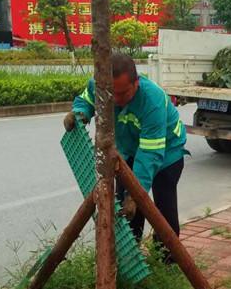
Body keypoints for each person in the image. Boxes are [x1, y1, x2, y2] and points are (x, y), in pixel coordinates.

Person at [64, 53, 187, 256]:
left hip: (166, 154)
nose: (117, 100)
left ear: (136, 83)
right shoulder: (100, 85)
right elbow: (86, 99)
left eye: (123, 93)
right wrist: (79, 114)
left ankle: (167, 260)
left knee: (163, 214)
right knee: (126, 212)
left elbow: (150, 153)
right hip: (128, 151)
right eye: (112, 94)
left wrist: (135, 195)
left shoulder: (152, 100)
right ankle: (129, 257)